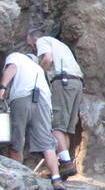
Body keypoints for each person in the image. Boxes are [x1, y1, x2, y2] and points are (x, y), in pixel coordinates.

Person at [0, 49, 73, 190]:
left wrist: (1, 88)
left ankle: (17, 178)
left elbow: (12, 68)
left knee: (16, 140)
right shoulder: (38, 69)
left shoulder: (16, 57)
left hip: (22, 98)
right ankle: (57, 180)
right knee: (47, 143)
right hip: (43, 102)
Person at [29, 27, 83, 179]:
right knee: (65, 128)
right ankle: (64, 165)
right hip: (76, 83)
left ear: (34, 39)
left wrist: (38, 75)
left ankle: (66, 162)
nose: (33, 49)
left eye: (31, 45)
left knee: (56, 125)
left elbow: (47, 59)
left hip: (62, 82)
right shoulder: (60, 45)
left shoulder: (42, 41)